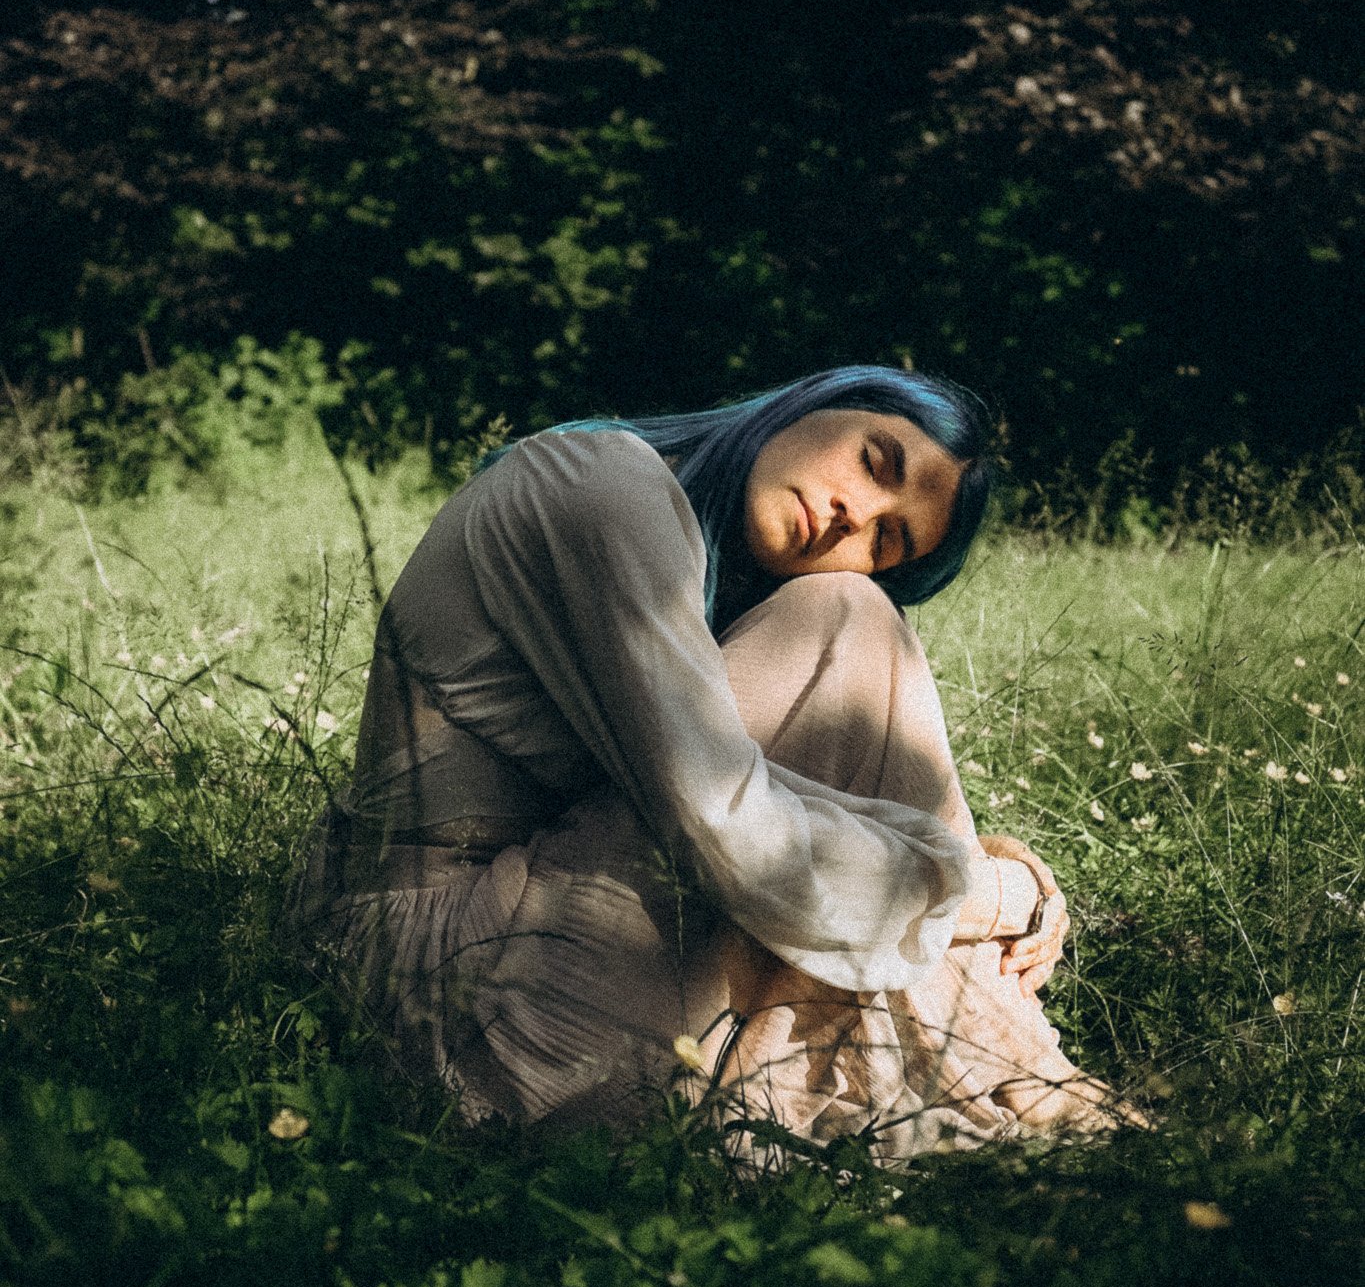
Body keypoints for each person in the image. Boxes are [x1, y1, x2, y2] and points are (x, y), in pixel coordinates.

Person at [292, 366, 1135, 1158]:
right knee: (847, 614)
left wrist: (968, 875)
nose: (854, 518)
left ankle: (986, 1024)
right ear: (811, 402)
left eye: (887, 539)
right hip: (450, 982)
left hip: (548, 932)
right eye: (873, 462)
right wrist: (982, 895)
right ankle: (1012, 1065)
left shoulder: (708, 560)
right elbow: (726, 825)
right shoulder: (600, 480)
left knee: (854, 614)